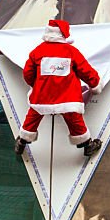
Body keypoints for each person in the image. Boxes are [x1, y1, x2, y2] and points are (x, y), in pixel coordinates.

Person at [14, 19, 103, 157]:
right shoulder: (71, 51)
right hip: (68, 98)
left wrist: (36, 86)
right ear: (64, 34)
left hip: (42, 96)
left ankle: (22, 141)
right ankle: (87, 145)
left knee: (32, 118)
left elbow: (27, 74)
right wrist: (95, 84)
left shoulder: (37, 52)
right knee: (75, 120)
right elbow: (86, 71)